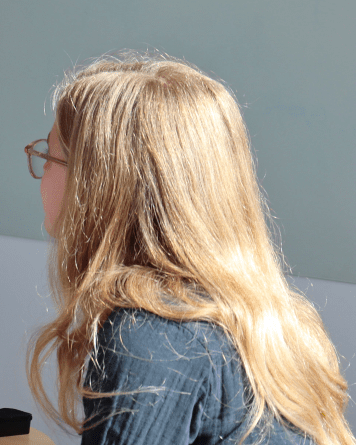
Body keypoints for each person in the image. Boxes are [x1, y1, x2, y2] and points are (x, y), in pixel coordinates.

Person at [23, 52, 354, 444]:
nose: (39, 168)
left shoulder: (150, 338)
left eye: (48, 155)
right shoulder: (275, 326)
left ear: (96, 186)